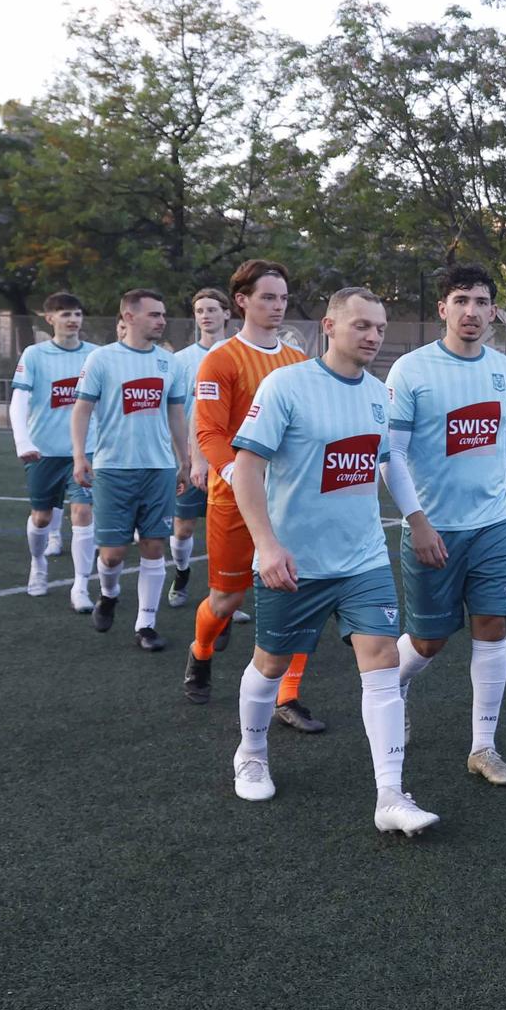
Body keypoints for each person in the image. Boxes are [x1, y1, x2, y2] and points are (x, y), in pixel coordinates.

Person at [227, 287, 437, 834]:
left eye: (379, 328)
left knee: (383, 663)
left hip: (362, 560)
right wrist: (267, 546)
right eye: (361, 326)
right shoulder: (286, 385)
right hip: (294, 562)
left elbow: (387, 463)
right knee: (270, 665)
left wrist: (417, 520)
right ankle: (250, 751)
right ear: (329, 325)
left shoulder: (377, 394)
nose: (372, 337)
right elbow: (246, 468)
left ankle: (390, 794)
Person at [385, 263, 506, 788]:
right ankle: (394, 686)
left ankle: (483, 747)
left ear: (493, 311)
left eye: (481, 301)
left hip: (494, 525)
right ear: (443, 308)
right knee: (428, 642)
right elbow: (393, 455)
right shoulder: (410, 370)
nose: (471, 311)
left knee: (492, 628)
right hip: (435, 529)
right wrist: (419, 522)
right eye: (461, 300)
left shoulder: (505, 370)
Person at [184, 262, 310, 714]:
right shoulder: (220, 359)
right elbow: (210, 434)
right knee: (226, 599)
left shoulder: (299, 363)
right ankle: (200, 654)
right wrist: (241, 477)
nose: (277, 307)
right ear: (242, 301)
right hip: (233, 499)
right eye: (267, 298)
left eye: (281, 298)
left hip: (291, 500)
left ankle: (289, 694)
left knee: (302, 590)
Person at [69, 289, 192, 652]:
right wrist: (80, 455)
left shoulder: (171, 363)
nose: (162, 320)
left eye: (163, 314)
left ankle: (146, 624)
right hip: (113, 470)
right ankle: (108, 595)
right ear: (129, 317)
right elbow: (81, 410)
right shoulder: (102, 359)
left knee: (154, 546)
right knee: (112, 554)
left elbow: (176, 414)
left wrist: (183, 460)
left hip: (158, 470)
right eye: (154, 314)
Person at [8, 292, 99, 610]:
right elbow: (19, 400)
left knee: (83, 512)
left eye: (77, 313)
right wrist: (24, 442)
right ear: (50, 319)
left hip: (85, 451)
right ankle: (38, 565)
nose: (73, 319)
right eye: (65, 314)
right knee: (42, 517)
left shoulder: (96, 355)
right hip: (44, 451)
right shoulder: (34, 355)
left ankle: (81, 586)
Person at [167, 287, 232, 609]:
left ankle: (224, 597)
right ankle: (181, 572)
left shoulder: (236, 355)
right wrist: (186, 457)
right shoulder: (180, 361)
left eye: (212, 309)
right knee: (184, 527)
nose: (205, 315)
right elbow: (177, 411)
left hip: (229, 460)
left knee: (226, 534)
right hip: (193, 459)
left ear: (227, 314)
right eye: (200, 310)